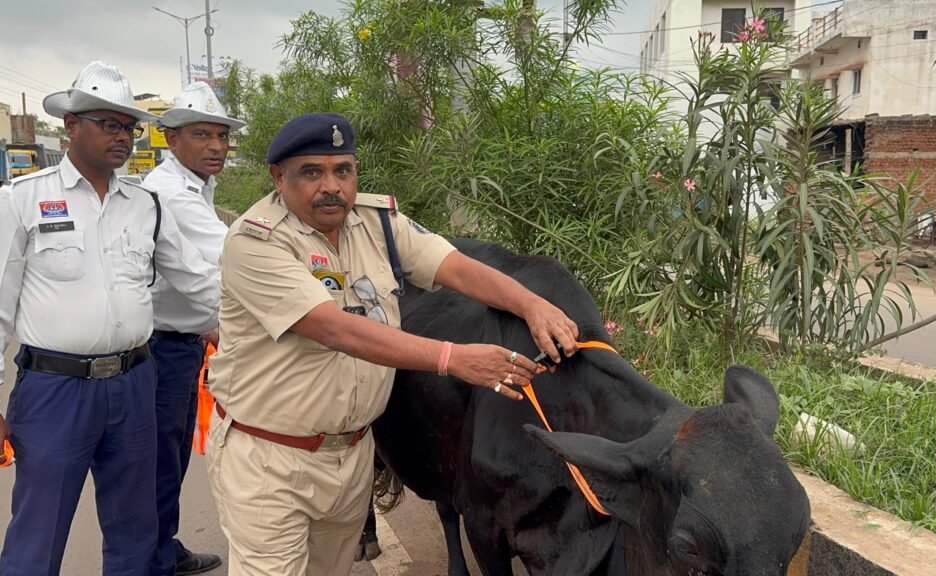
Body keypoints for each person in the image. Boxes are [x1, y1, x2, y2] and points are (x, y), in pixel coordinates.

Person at [206, 112, 579, 575]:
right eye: (311, 172)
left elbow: (456, 267)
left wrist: (531, 304)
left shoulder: (377, 224)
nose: (331, 187)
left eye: (343, 170)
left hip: (350, 454)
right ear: (278, 178)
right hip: (270, 459)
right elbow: (334, 328)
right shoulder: (256, 242)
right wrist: (452, 358)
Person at [0, 61, 222, 575]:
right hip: (54, 389)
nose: (122, 136)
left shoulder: (145, 205)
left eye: (129, 126)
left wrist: (280, 320)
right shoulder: (23, 200)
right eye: (108, 124)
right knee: (38, 531)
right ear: (70, 125)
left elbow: (200, 281)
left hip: (133, 385)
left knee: (136, 528)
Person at [142, 81, 245, 576]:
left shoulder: (197, 187)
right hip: (163, 348)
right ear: (171, 138)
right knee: (161, 460)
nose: (217, 146)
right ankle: (154, 558)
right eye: (202, 135)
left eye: (222, 136)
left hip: (183, 344)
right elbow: (231, 259)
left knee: (174, 455)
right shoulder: (171, 193)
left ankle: (164, 548)